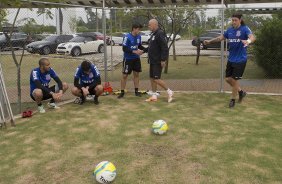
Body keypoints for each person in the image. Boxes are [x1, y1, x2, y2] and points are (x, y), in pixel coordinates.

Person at [204, 13, 255, 108]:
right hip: (231, 59)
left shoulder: (244, 29)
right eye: (233, 20)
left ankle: (232, 100)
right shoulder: (230, 30)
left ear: (240, 20)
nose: (234, 22)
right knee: (228, 79)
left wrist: (248, 41)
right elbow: (220, 38)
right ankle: (241, 92)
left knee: (235, 80)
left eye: (236, 20)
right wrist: (209, 41)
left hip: (240, 60)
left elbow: (252, 37)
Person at [145, 19, 174, 103]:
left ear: (154, 24)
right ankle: (154, 95)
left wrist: (163, 59)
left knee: (156, 79)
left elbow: (164, 47)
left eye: (149, 25)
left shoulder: (160, 33)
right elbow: (151, 47)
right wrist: (142, 51)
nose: (148, 26)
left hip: (158, 60)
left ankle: (169, 91)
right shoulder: (153, 34)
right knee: (152, 78)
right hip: (152, 60)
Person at [117, 23, 147, 99]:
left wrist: (144, 50)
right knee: (124, 75)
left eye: (140, 29)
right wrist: (134, 51)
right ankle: (122, 92)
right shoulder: (127, 37)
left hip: (136, 59)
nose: (139, 31)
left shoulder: (139, 36)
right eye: (138, 29)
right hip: (128, 59)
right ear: (134, 28)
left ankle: (136, 91)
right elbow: (124, 48)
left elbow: (139, 45)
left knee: (136, 74)